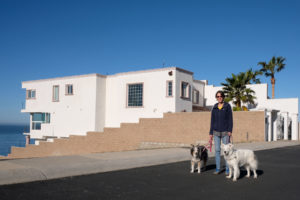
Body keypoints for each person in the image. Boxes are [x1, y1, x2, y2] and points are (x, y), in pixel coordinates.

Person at [209, 90, 233, 174]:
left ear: (223, 97)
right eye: (218, 96)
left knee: (226, 151)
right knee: (217, 150)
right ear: (216, 98)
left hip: (225, 132)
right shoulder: (214, 107)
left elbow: (230, 119)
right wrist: (210, 133)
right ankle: (218, 169)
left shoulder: (227, 106)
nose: (219, 98)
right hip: (216, 132)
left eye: (220, 96)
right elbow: (212, 121)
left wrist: (230, 130)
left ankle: (227, 169)